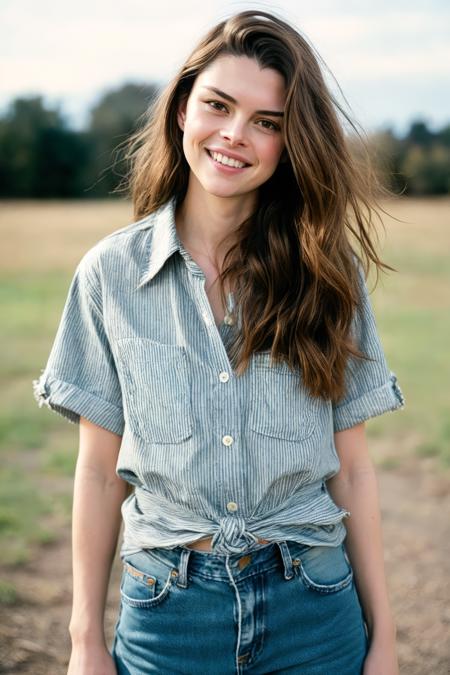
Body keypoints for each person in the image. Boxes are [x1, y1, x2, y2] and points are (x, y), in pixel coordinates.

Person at [33, 9, 406, 675]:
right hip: (166, 616)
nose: (236, 134)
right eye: (219, 105)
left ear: (290, 143)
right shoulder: (110, 275)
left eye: (267, 122)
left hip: (314, 610)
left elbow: (352, 470)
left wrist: (384, 639)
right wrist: (84, 638)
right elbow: (97, 472)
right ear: (182, 110)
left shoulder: (327, 274)